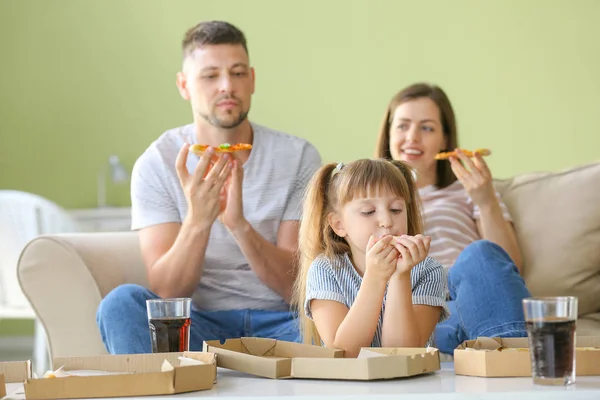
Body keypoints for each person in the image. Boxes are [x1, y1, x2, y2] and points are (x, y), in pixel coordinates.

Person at [96, 20, 322, 354]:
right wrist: (199, 219)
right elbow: (168, 292)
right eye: (210, 75)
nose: (227, 86)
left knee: (344, 319)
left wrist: (239, 226)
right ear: (184, 85)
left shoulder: (298, 156)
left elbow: (295, 287)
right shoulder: (157, 163)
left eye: (238, 72)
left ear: (253, 80)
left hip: (284, 326)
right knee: (120, 304)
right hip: (197, 327)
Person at [374, 82, 532, 354]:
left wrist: (485, 200)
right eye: (402, 125)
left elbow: (507, 264)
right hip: (409, 310)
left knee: (481, 253)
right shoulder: (368, 200)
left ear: (445, 140)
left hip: (465, 298)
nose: (412, 136)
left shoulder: (468, 189)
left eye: (426, 127)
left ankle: (512, 360)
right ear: (388, 133)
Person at [291, 158, 449, 357]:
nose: (386, 221)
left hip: (409, 386)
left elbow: (401, 354)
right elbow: (344, 354)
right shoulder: (325, 270)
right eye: (368, 211)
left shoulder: (428, 270)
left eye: (396, 210)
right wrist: (375, 278)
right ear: (339, 224)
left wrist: (400, 276)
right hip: (348, 386)